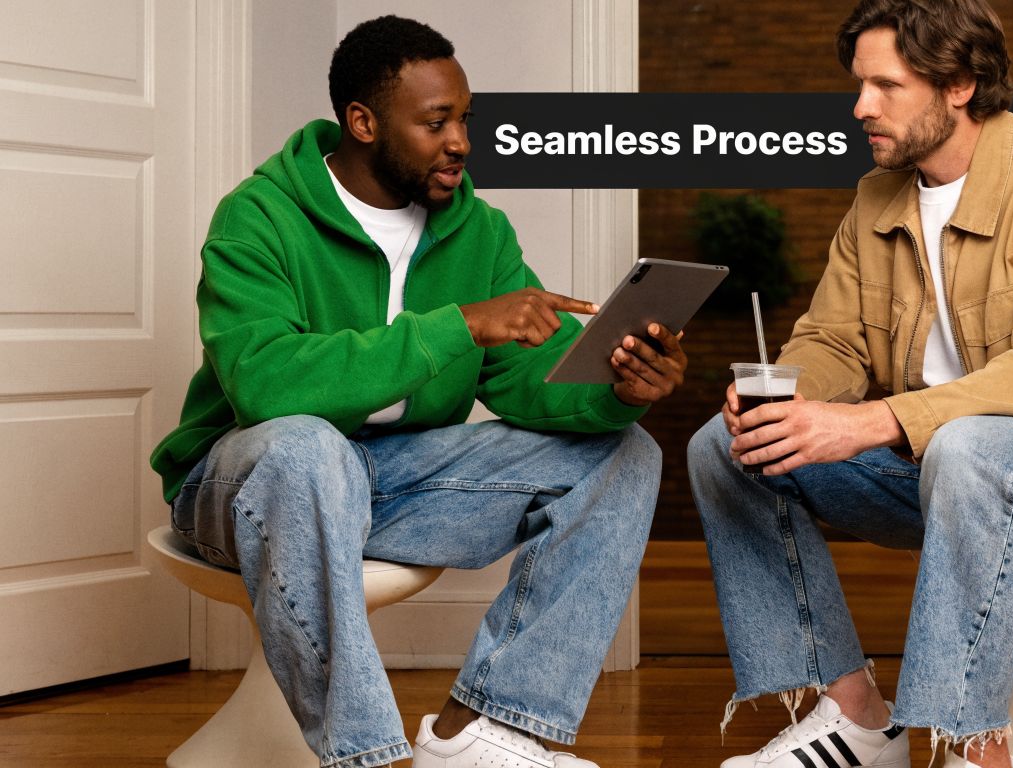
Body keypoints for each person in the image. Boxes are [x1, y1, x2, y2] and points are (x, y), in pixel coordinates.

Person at [686, 1, 1013, 766]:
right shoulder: (878, 197)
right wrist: (787, 393)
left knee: (971, 449)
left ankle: (972, 748)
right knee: (729, 446)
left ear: (960, 85)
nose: (860, 106)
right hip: (943, 468)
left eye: (885, 86)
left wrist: (867, 423)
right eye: (858, 84)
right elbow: (836, 337)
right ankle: (858, 718)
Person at [150, 16, 686, 768]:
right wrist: (460, 325)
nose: (461, 141)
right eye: (436, 122)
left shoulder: (480, 232)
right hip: (247, 482)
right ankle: (366, 756)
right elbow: (264, 383)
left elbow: (528, 382)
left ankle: (489, 730)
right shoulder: (260, 216)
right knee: (306, 446)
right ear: (363, 123)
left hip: (389, 477)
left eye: (465, 119)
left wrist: (621, 388)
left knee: (621, 453)